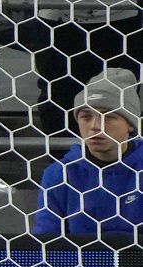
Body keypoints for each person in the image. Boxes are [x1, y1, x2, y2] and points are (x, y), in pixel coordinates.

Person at [33, 68, 143, 236]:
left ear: (130, 125)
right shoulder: (59, 174)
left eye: (108, 117)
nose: (95, 126)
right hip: (79, 262)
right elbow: (46, 245)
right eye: (86, 116)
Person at [18, 1, 143, 137]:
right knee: (59, 95)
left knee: (119, 95)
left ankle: (120, 154)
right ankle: (65, 156)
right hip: (58, 18)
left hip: (122, 17)